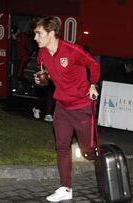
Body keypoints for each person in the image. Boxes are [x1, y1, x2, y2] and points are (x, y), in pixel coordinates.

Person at [32, 16, 100, 202]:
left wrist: (93, 85)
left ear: (51, 33)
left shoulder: (72, 50)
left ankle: (107, 177)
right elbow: (43, 70)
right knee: (62, 146)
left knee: (88, 150)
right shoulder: (43, 53)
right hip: (62, 107)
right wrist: (41, 78)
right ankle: (65, 188)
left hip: (81, 107)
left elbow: (93, 64)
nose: (35, 38)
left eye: (39, 34)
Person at [11, 25, 30, 93]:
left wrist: (16, 39)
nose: (14, 34)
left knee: (19, 75)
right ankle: (25, 87)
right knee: (18, 74)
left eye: (15, 32)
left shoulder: (23, 36)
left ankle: (29, 86)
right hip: (19, 58)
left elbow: (24, 45)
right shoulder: (17, 37)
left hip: (23, 58)